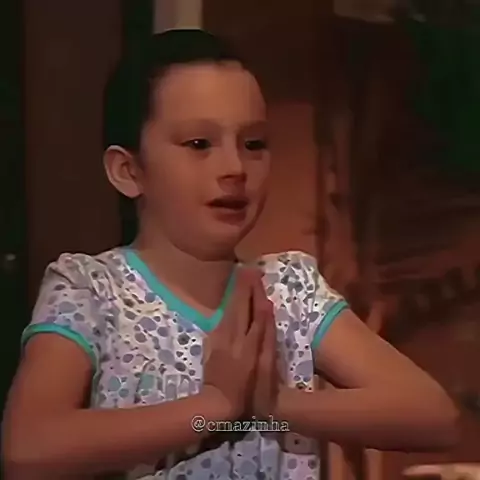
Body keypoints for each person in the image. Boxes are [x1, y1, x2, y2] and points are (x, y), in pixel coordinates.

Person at [2, 29, 458, 480]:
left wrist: (278, 405)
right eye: (199, 144)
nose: (235, 168)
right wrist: (213, 407)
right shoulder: (91, 289)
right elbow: (28, 449)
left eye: (253, 144)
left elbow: (433, 415)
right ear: (128, 170)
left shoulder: (289, 289)